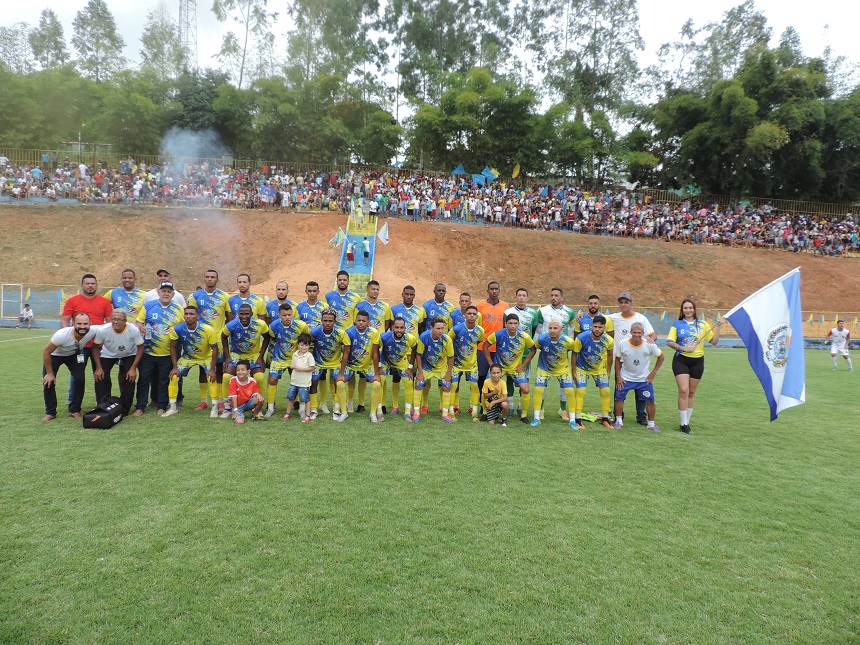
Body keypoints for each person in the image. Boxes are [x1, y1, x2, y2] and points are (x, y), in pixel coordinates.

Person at [666, 298, 723, 434]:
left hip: (698, 362)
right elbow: (669, 342)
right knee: (684, 390)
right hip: (681, 361)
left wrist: (719, 326)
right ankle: (683, 423)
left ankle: (687, 421)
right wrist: (683, 348)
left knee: (691, 392)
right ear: (682, 310)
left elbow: (714, 341)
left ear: (694, 309)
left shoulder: (702, 324)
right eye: (685, 308)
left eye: (690, 308)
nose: (688, 310)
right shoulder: (677, 324)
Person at [134, 282, 184, 416]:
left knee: (164, 380)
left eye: (169, 291)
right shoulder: (148, 306)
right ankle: (140, 407)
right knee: (144, 380)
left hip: (168, 353)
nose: (166, 293)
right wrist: (140, 326)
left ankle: (161, 406)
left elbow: (182, 327)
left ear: (173, 294)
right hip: (148, 351)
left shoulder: (178, 308)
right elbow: (138, 321)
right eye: (163, 291)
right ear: (159, 292)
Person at [164, 305, 220, 418]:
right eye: (186, 314)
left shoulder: (207, 329)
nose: (188, 316)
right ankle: (173, 408)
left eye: (192, 314)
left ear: (197, 316)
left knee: (211, 377)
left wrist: (212, 369)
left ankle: (214, 408)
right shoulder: (178, 329)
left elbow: (215, 349)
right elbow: (173, 347)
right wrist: (175, 367)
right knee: (174, 377)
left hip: (206, 357)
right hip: (188, 357)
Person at [609, 292, 656, 426]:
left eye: (626, 302)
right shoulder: (614, 317)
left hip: (639, 360)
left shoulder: (640, 318)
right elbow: (597, 318)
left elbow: (653, 335)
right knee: (619, 388)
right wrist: (581, 315)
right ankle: (619, 416)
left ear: (631, 303)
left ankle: (641, 416)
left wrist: (649, 343)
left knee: (640, 390)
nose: (623, 305)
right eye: (621, 302)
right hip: (621, 360)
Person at [188, 269, 232, 411]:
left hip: (218, 338)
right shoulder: (196, 296)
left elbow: (229, 317)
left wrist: (226, 334)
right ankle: (203, 400)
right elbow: (191, 315)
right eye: (207, 277)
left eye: (212, 277)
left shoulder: (224, 296)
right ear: (204, 279)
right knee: (203, 369)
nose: (210, 279)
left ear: (217, 279)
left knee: (218, 369)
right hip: (201, 339)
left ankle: (219, 400)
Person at [41, 313, 97, 421]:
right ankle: (50, 412)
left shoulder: (93, 331)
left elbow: (111, 326)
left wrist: (136, 324)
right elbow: (46, 352)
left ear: (90, 324)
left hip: (74, 356)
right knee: (48, 382)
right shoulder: (61, 335)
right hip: (55, 356)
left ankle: (75, 410)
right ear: (73, 324)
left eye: (85, 324)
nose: (82, 326)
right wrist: (49, 373)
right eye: (79, 323)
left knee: (79, 380)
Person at [483, 313, 535, 424]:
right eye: (510, 323)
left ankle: (524, 415)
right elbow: (485, 346)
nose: (512, 326)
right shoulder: (498, 334)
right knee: (487, 387)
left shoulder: (524, 336)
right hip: (499, 368)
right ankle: (485, 413)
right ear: (506, 324)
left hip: (515, 368)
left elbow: (533, 350)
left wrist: (524, 365)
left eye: (515, 323)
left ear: (518, 324)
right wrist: (491, 364)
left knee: (525, 389)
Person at [220, 303, 270, 417]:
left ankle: (258, 406)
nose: (244, 316)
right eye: (241, 314)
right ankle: (227, 408)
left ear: (252, 314)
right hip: (237, 354)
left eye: (247, 314)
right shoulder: (232, 325)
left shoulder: (260, 324)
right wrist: (227, 357)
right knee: (226, 377)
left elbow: (267, 337)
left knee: (260, 377)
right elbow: (223, 336)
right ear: (238, 314)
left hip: (253, 354)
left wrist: (261, 357)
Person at [91, 309, 144, 415]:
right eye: (113, 319)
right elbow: (95, 347)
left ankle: (124, 408)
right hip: (108, 353)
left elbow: (141, 348)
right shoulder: (103, 330)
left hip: (129, 353)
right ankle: (103, 405)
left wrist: (133, 368)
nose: (116, 322)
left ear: (125, 321)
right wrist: (98, 367)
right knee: (101, 376)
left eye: (119, 319)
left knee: (129, 377)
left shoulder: (133, 330)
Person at [614, 322, 664, 432]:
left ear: (643, 333)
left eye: (639, 333)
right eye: (634, 332)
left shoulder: (649, 344)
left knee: (650, 400)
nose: (637, 335)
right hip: (626, 378)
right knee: (619, 398)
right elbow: (617, 360)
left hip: (643, 379)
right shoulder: (623, 343)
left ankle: (651, 424)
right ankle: (618, 421)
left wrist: (653, 373)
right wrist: (619, 377)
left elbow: (661, 357)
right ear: (631, 332)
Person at [527, 320, 578, 428]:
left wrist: (573, 370)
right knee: (538, 389)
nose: (552, 330)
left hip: (562, 369)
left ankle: (572, 420)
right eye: (550, 328)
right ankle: (536, 418)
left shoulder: (569, 341)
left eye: (555, 328)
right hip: (544, 368)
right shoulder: (541, 339)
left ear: (561, 329)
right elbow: (536, 347)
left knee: (569, 391)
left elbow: (572, 351)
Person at [536, 287, 576, 420]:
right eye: (552, 295)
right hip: (546, 351)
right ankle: (540, 409)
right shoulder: (542, 311)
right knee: (542, 382)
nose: (554, 297)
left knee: (563, 382)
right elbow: (539, 328)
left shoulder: (569, 312)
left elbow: (571, 329)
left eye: (557, 295)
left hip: (561, 351)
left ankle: (563, 409)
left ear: (562, 297)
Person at [264, 303, 310, 418]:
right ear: (279, 315)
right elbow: (273, 338)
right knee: (272, 380)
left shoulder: (301, 325)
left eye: (289, 314)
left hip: (295, 358)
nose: (287, 317)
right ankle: (270, 408)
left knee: (299, 382)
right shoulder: (273, 326)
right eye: (284, 315)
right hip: (278, 358)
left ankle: (301, 409)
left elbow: (306, 339)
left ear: (292, 314)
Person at [571, 315, 615, 429]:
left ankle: (605, 418)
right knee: (580, 391)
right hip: (582, 368)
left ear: (604, 327)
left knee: (605, 391)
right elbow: (574, 354)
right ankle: (577, 418)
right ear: (591, 326)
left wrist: (608, 371)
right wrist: (574, 371)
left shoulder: (609, 340)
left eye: (600, 327)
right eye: (595, 326)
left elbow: (610, 355)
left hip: (599, 369)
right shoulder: (581, 337)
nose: (597, 329)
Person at [339, 310, 384, 421]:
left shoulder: (374, 333)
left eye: (363, 321)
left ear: (368, 322)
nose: (361, 323)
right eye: (358, 320)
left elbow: (375, 353)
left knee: (377, 384)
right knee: (339, 383)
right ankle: (344, 412)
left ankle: (373, 413)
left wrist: (377, 373)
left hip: (366, 365)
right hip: (350, 365)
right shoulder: (349, 332)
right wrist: (341, 373)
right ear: (355, 321)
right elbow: (345, 353)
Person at [309, 308, 351, 421]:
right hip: (318, 363)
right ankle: (313, 409)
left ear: (335, 322)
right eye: (325, 320)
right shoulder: (315, 332)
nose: (327, 323)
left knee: (339, 382)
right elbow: (308, 346)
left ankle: (336, 409)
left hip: (335, 363)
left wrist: (342, 372)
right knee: (313, 382)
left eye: (330, 321)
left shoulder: (341, 333)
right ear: (321, 321)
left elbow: (346, 351)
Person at [412, 317, 455, 423]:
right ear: (431, 328)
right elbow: (418, 355)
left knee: (447, 386)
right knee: (419, 384)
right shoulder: (424, 337)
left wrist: (448, 373)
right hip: (427, 367)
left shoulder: (447, 339)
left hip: (441, 368)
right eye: (438, 328)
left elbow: (451, 357)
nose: (440, 331)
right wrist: (420, 372)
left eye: (442, 328)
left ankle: (445, 414)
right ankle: (417, 413)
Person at [448, 304, 486, 420]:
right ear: (465, 315)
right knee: (454, 386)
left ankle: (474, 412)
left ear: (477, 316)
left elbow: (479, 342)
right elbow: (448, 341)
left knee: (474, 386)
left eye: (474, 314)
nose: (472, 316)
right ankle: (451, 411)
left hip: (472, 365)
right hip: (456, 365)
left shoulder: (480, 330)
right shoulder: (456, 329)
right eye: (469, 314)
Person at [379, 316, 418, 418]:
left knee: (409, 381)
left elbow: (414, 349)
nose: (399, 330)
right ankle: (382, 409)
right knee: (380, 380)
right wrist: (379, 366)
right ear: (392, 328)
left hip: (401, 362)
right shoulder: (384, 337)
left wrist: (410, 367)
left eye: (401, 327)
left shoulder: (410, 338)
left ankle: (408, 411)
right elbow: (376, 348)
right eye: (397, 327)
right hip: (385, 361)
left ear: (405, 328)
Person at [476, 281, 510, 393]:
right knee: (482, 375)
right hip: (483, 347)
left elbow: (506, 327)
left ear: (499, 290)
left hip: (499, 348)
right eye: (492, 289)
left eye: (496, 289)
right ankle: (482, 402)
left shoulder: (505, 306)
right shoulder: (480, 305)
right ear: (487, 291)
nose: (494, 291)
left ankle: (497, 403)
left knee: (497, 376)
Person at [285, 334, 315, 422]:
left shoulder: (309, 356)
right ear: (298, 345)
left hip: (304, 382)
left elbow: (312, 368)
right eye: (302, 345)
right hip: (294, 381)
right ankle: (287, 413)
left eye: (306, 345)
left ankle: (308, 415)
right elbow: (293, 364)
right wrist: (292, 366)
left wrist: (301, 369)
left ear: (309, 346)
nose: (304, 347)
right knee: (291, 398)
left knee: (306, 399)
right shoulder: (295, 354)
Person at [228, 359, 265, 424]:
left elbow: (255, 393)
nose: (240, 372)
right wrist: (236, 410)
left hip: (248, 402)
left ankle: (255, 416)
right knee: (240, 422)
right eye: (238, 370)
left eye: (243, 370)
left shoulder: (252, 381)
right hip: (237, 405)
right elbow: (233, 396)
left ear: (248, 371)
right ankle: (236, 413)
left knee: (260, 399)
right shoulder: (233, 380)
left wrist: (258, 395)